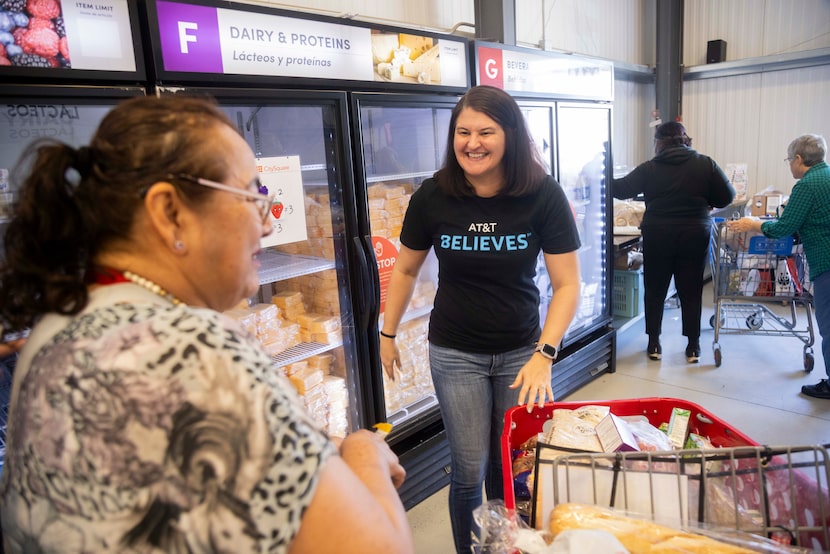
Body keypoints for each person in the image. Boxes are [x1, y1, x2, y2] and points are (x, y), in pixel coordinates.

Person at [0, 95, 413, 554]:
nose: (268, 226)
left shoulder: (59, 322)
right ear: (170, 212)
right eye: (252, 197)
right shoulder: (193, 349)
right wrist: (363, 453)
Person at [379, 85, 582, 553]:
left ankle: (507, 546)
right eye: (463, 132)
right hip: (455, 352)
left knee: (507, 465)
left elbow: (567, 285)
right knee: (469, 469)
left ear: (509, 135)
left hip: (520, 352)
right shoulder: (433, 196)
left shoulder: (542, 195)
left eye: (486, 131)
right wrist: (386, 332)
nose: (473, 142)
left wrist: (544, 354)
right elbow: (406, 268)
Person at [611, 121, 735, 363]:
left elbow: (621, 189)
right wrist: (706, 199)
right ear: (685, 139)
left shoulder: (650, 168)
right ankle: (693, 347)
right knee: (690, 289)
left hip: (658, 234)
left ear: (659, 142)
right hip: (694, 233)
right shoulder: (705, 163)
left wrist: (601, 167)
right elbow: (727, 196)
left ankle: (654, 344)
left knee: (655, 289)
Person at [728, 134, 830, 399]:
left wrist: (753, 224)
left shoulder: (807, 185)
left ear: (798, 159)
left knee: (828, 326)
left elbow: (784, 227)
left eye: (788, 159)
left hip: (826, 263)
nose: (789, 165)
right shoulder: (827, 175)